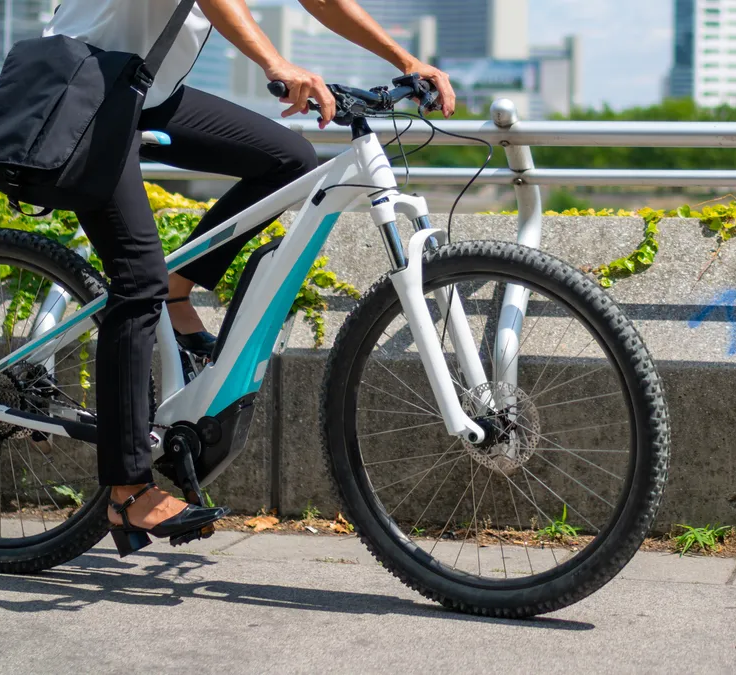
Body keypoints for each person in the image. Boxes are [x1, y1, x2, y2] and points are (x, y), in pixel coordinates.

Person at [43, 0, 457, 542]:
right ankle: (127, 492)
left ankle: (178, 287)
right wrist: (275, 63)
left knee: (289, 159)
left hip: (144, 93)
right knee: (134, 280)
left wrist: (404, 60)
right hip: (85, 93)